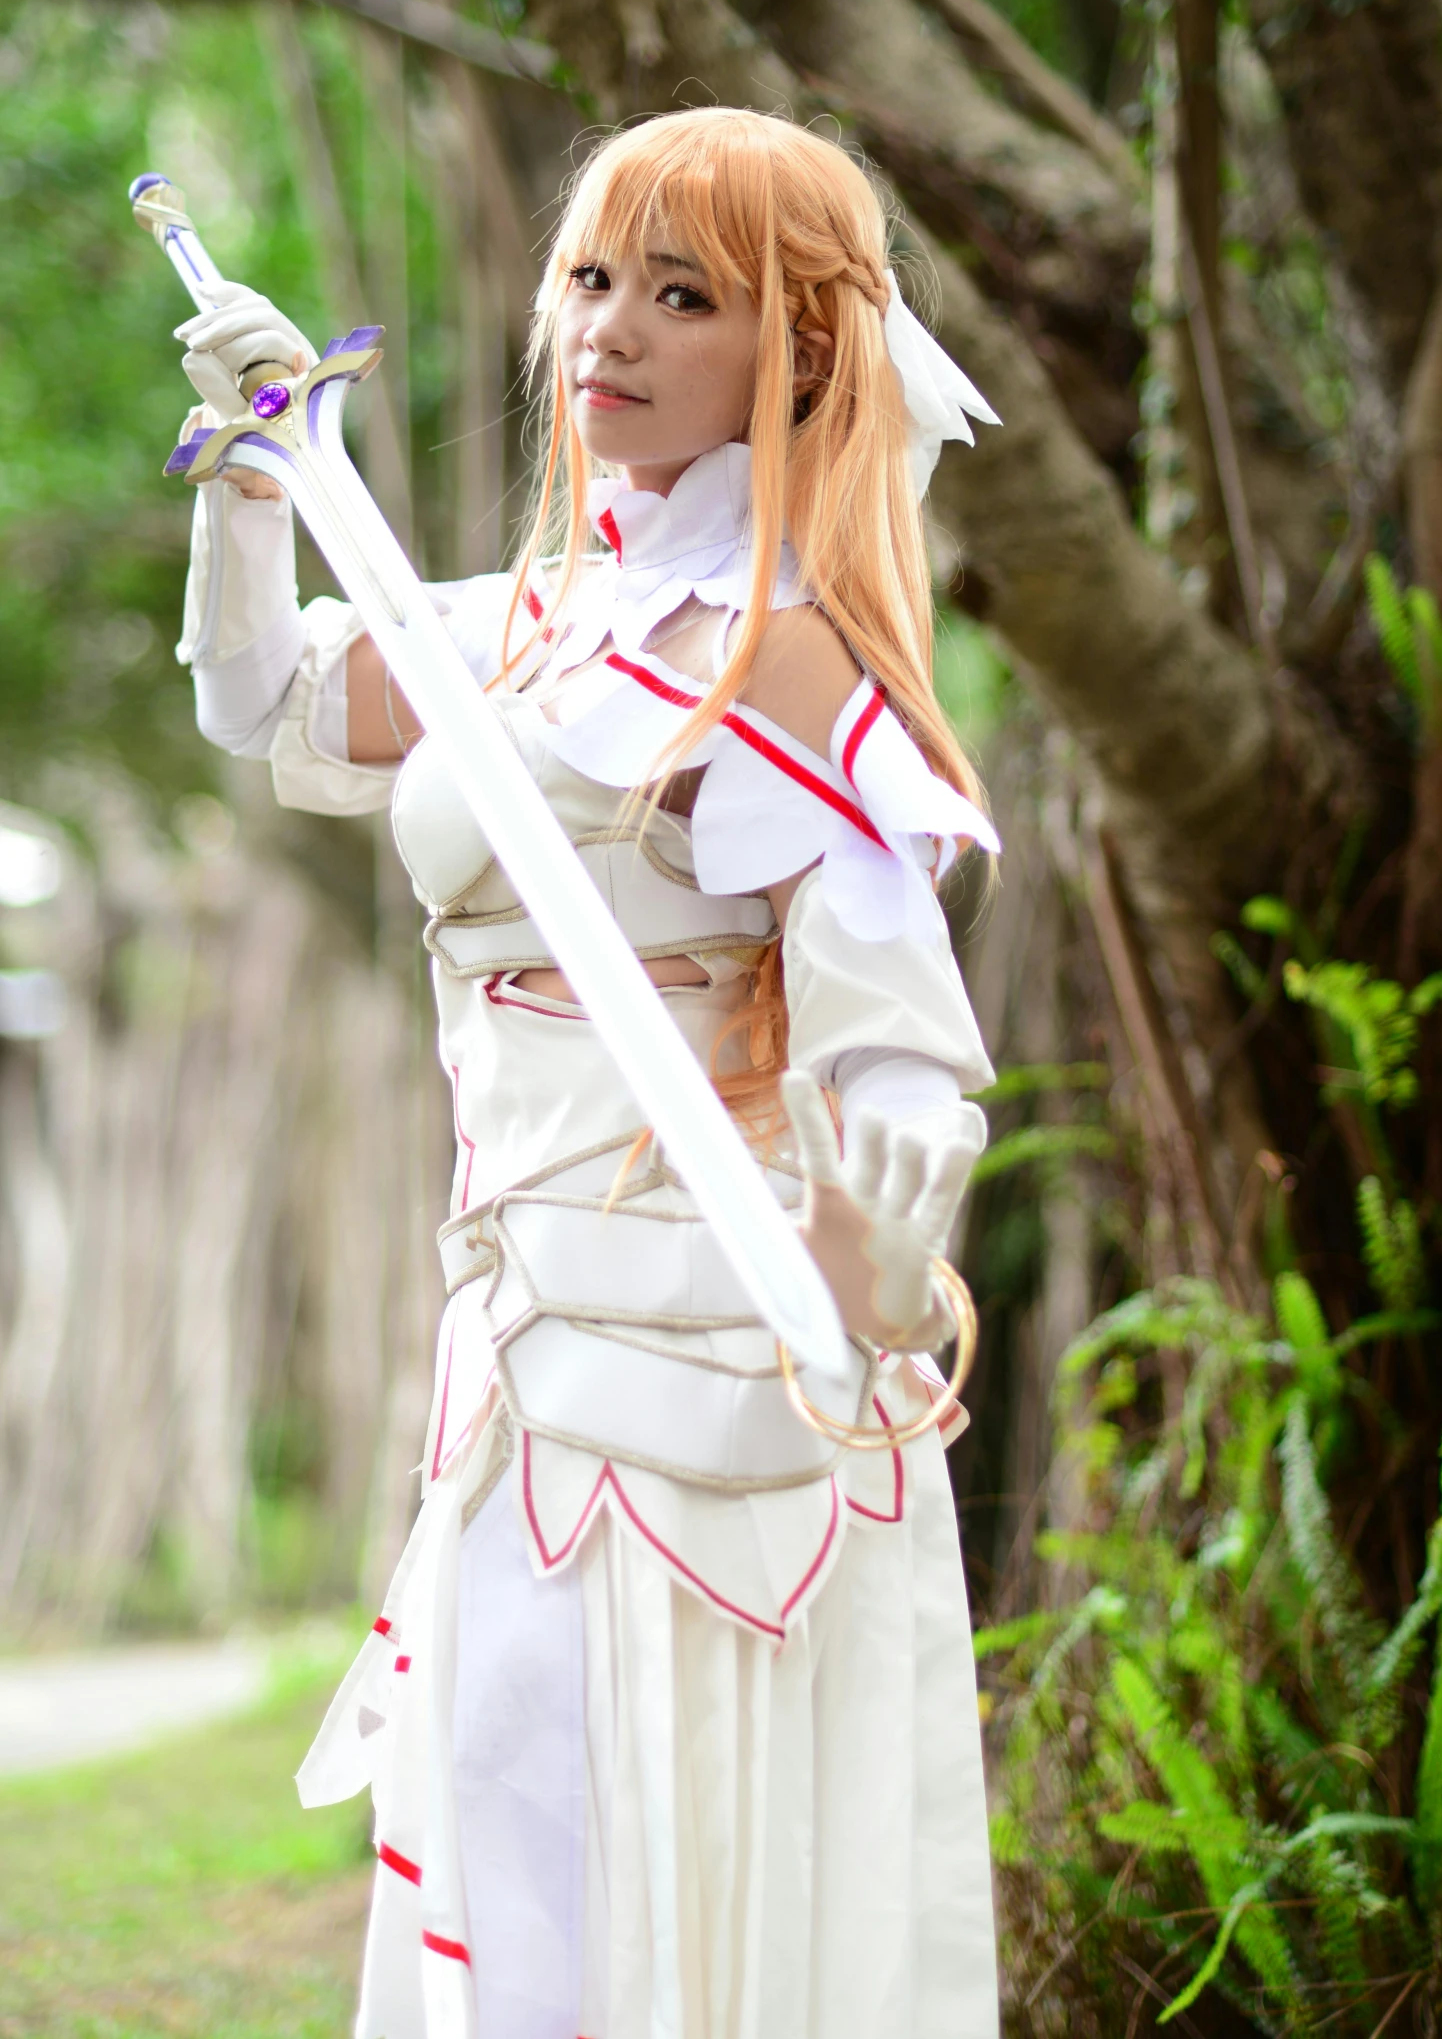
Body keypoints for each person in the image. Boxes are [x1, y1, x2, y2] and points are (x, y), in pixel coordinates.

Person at [173, 108, 1003, 2039]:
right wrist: (257, 480)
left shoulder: (785, 665)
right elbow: (257, 697)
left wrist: (883, 1261)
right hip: (516, 1352)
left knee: (662, 1878)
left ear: (801, 352)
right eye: (591, 281)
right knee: (503, 1831)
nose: (610, 331)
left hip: (727, 1363)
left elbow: (902, 1057)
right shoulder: (515, 631)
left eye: (684, 295)